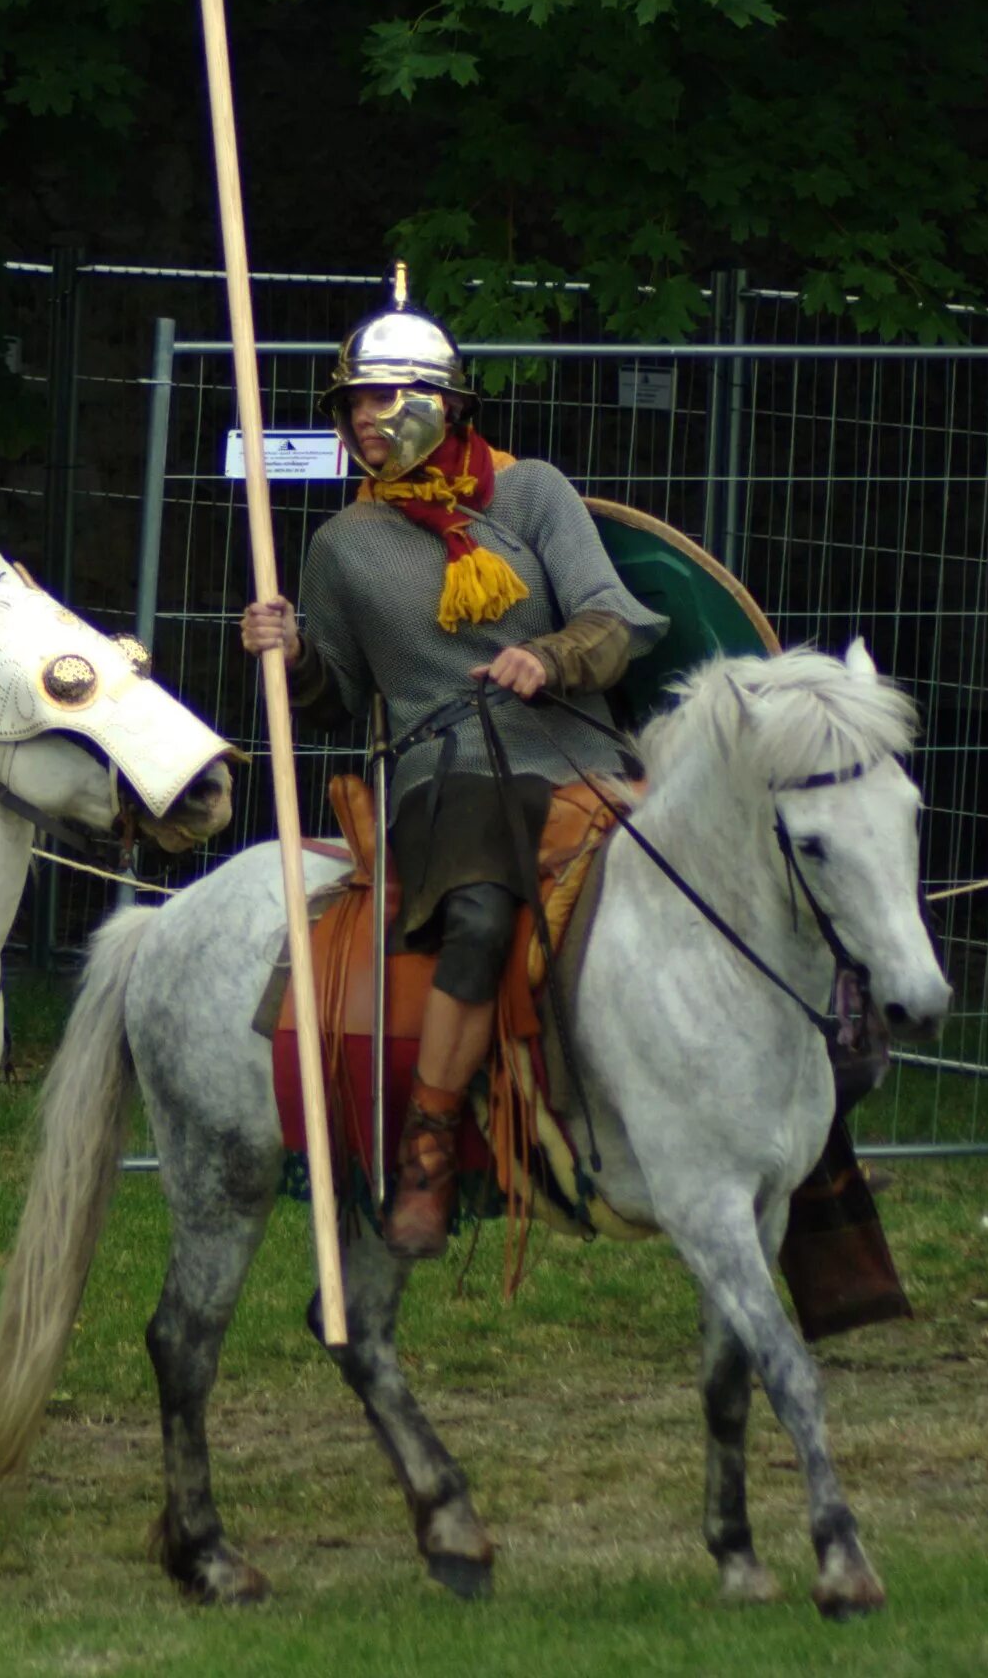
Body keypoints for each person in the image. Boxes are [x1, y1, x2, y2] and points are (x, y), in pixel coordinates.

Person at [242, 267, 665, 1257]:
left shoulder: (531, 490)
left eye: (383, 398)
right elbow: (334, 695)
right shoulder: (343, 543)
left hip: (578, 752)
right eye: (351, 402)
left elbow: (619, 622)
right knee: (479, 909)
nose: (363, 420)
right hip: (447, 776)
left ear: (443, 401)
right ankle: (430, 1143)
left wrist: (550, 653)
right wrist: (291, 649)